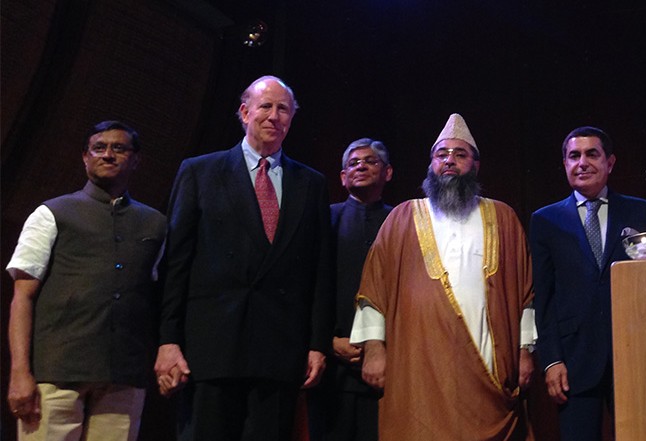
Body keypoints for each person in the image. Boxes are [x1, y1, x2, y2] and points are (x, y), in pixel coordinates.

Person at [155, 75, 334, 441]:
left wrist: (317, 344)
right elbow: (176, 264)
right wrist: (167, 340)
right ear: (244, 112)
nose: (274, 116)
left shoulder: (311, 184)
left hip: (280, 352)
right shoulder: (200, 172)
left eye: (283, 109)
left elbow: (320, 272)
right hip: (210, 349)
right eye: (265, 106)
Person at [350, 113, 537, 440]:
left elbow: (525, 294)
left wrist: (525, 352)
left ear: (475, 166)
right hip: (418, 364)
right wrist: (374, 350)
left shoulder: (503, 217)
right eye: (441, 155)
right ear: (431, 165)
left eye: (459, 154)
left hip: (487, 363)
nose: (449, 161)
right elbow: (375, 289)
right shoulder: (402, 217)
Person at [6, 121, 165, 441]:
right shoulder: (52, 213)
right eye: (99, 148)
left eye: (119, 148)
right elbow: (22, 296)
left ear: (136, 160)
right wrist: (19, 372)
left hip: (123, 376)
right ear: (85, 157)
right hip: (56, 373)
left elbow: (157, 299)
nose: (108, 155)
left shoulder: (155, 223)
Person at [530, 126, 646, 440]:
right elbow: (544, 298)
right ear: (565, 164)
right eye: (574, 156)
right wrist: (551, 360)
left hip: (632, 354)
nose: (582, 162)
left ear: (609, 162)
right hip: (574, 361)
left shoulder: (641, 212)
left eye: (592, 154)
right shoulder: (545, 220)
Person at [307, 138, 394, 441]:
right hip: (332, 364)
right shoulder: (324, 218)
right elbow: (307, 286)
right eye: (353, 163)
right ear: (343, 177)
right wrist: (328, 340)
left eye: (370, 161)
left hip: (387, 364)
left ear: (388, 172)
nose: (361, 166)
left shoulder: (402, 221)